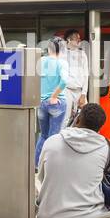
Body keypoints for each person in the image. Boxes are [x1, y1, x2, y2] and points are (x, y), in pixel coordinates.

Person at [36, 103, 110, 218]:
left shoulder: (52, 141)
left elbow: (41, 176)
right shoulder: (107, 147)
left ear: (77, 119)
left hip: (49, 217)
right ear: (99, 128)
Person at [35, 38, 71, 166]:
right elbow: (65, 81)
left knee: (43, 135)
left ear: (49, 49)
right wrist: (54, 96)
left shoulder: (41, 61)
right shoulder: (62, 63)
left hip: (41, 103)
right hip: (56, 103)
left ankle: (36, 164)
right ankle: (50, 165)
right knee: (54, 137)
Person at [58, 29, 89, 125]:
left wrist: (83, 94)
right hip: (66, 90)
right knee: (65, 118)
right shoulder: (61, 55)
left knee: (85, 117)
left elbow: (86, 75)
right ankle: (62, 138)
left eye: (79, 38)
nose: (79, 40)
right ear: (68, 39)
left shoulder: (82, 54)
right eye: (76, 38)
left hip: (79, 90)